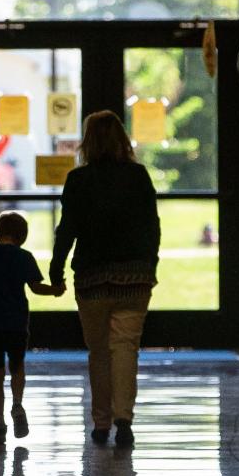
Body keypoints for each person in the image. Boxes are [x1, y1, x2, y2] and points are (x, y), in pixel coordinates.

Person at [50, 110, 161, 447]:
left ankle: (101, 424)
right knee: (126, 347)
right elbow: (152, 226)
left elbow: (67, 228)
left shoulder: (78, 180)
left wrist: (57, 269)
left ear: (88, 142)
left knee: (99, 352)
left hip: (92, 278)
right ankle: (124, 418)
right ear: (122, 140)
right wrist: (149, 264)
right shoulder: (139, 176)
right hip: (135, 277)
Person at [0, 212, 64, 446]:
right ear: (23, 236)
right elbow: (36, 288)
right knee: (17, 366)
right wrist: (56, 290)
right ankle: (17, 404)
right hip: (16, 322)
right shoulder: (24, 257)